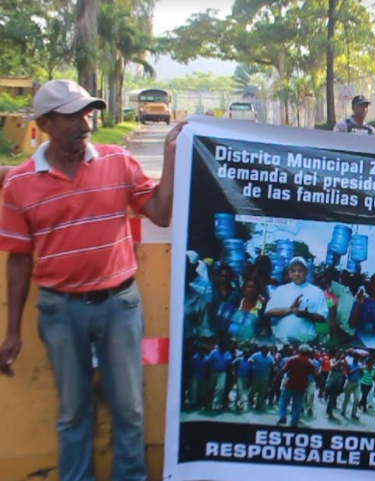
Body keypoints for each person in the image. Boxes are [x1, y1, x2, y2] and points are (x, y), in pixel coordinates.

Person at [0, 78, 184, 481]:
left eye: (87, 113)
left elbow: (161, 213)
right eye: (72, 116)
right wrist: (12, 332)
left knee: (130, 410)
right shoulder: (19, 184)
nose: (85, 123)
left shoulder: (118, 162)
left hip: (119, 305)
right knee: (73, 413)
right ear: (45, 123)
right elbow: (17, 258)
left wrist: (170, 158)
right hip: (59, 311)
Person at [265, 257, 328, 344]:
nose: (297, 274)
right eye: (293, 271)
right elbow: (268, 311)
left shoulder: (317, 291)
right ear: (289, 273)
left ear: (306, 272)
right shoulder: (281, 289)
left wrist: (306, 315)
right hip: (281, 342)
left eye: (300, 270)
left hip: (306, 344)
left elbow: (323, 317)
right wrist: (290, 310)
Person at [277, 344, 319, 427]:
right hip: (301, 386)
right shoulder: (310, 363)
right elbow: (316, 375)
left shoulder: (292, 359)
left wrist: (276, 380)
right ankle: (294, 422)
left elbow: (283, 371)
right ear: (307, 352)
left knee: (283, 401)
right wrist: (320, 385)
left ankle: (282, 417)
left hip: (289, 384)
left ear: (299, 350)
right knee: (297, 405)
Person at [248, 345, 274, 410]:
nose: (266, 351)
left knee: (263, 390)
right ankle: (250, 398)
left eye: (267, 350)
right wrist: (252, 362)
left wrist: (272, 372)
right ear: (262, 350)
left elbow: (272, 364)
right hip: (256, 375)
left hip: (265, 376)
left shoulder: (270, 357)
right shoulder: (256, 355)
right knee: (254, 388)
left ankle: (258, 404)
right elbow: (250, 360)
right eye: (264, 350)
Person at [208, 344, 233, 410]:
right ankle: (210, 401)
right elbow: (210, 361)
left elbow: (229, 363)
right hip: (214, 371)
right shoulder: (214, 352)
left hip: (222, 372)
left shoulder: (228, 354)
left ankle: (218, 402)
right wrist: (210, 371)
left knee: (221, 388)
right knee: (211, 387)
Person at [340, 352, 364, 419]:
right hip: (349, 382)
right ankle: (343, 411)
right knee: (347, 398)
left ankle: (353, 413)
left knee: (356, 398)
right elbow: (347, 373)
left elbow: (362, 375)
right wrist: (355, 370)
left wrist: (361, 371)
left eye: (358, 357)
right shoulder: (349, 364)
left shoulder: (360, 364)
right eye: (356, 357)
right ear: (354, 357)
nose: (357, 359)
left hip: (357, 383)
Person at [324, 349, 346, 419]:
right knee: (332, 396)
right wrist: (340, 360)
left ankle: (329, 408)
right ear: (336, 354)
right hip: (331, 381)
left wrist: (344, 361)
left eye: (341, 353)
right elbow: (332, 367)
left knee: (334, 396)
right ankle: (329, 411)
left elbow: (345, 368)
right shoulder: (332, 360)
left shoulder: (342, 361)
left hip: (338, 382)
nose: (340, 355)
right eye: (339, 353)